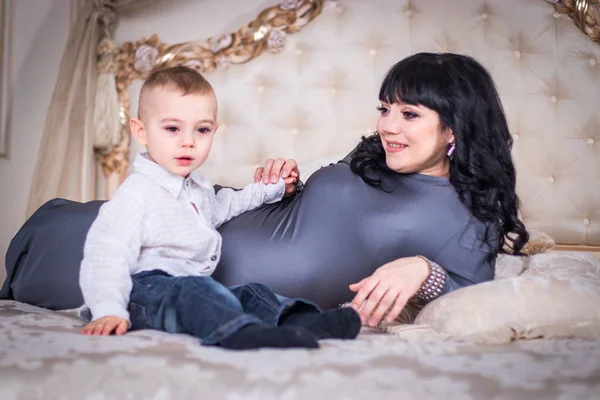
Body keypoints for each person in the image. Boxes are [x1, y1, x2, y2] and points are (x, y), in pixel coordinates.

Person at [2, 53, 528, 329]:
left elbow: (476, 294)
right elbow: (322, 214)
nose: (388, 125)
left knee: (50, 278)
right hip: (183, 230)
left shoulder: (470, 213)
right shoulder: (375, 159)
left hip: (193, 286)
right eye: (385, 108)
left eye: (409, 114)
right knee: (73, 233)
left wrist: (425, 272)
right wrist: (288, 185)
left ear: (455, 127)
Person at [78, 66, 361, 350]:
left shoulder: (197, 188)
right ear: (141, 131)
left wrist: (272, 188)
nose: (188, 141)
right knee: (194, 290)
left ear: (214, 131)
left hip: (190, 289)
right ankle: (239, 333)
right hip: (142, 294)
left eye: (201, 130)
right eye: (172, 128)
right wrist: (108, 308)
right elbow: (106, 251)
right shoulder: (137, 192)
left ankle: (300, 321)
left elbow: (227, 204)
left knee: (250, 292)